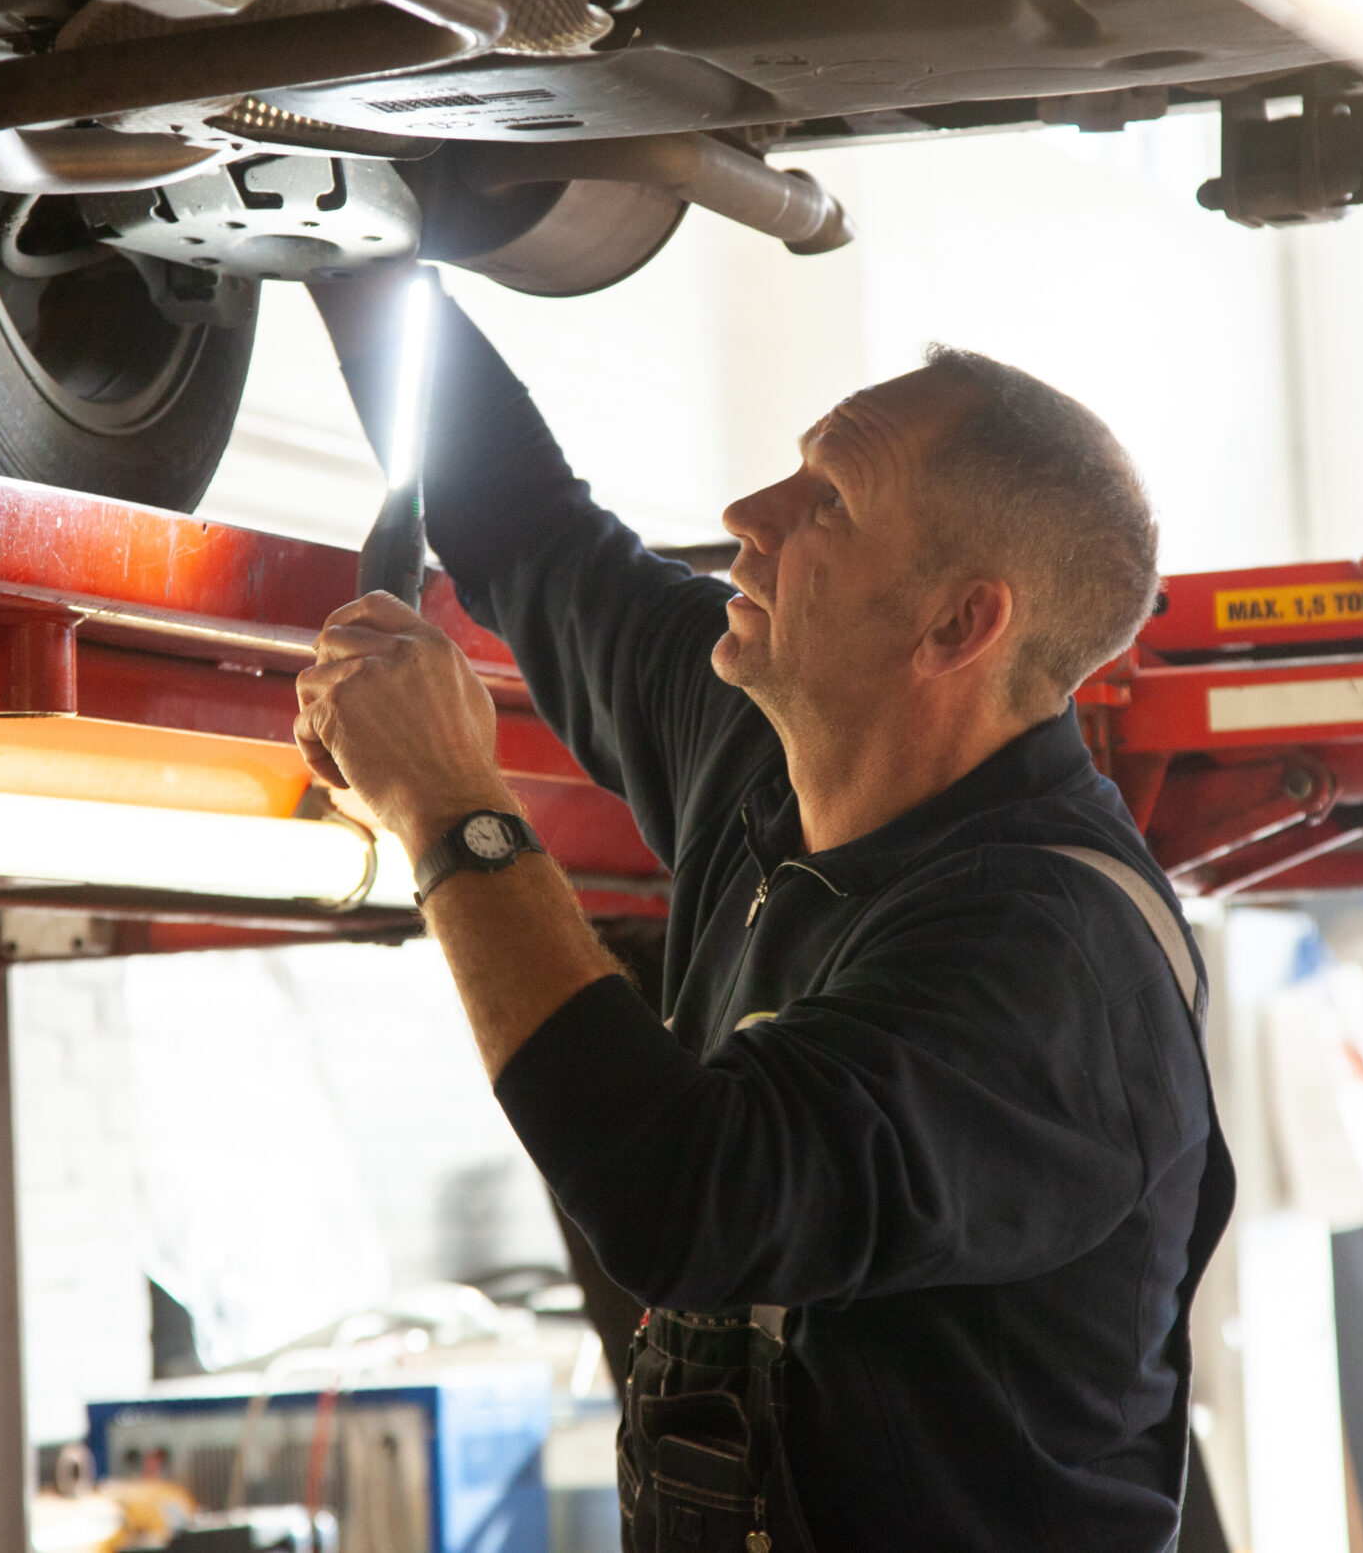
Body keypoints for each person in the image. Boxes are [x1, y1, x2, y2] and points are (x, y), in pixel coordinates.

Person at [295, 267, 1232, 1553]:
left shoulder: (1052, 966)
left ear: (961, 622)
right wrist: (351, 245)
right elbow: (529, 533)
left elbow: (689, 1197)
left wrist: (456, 811)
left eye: (828, 503)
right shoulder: (768, 747)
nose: (748, 514)